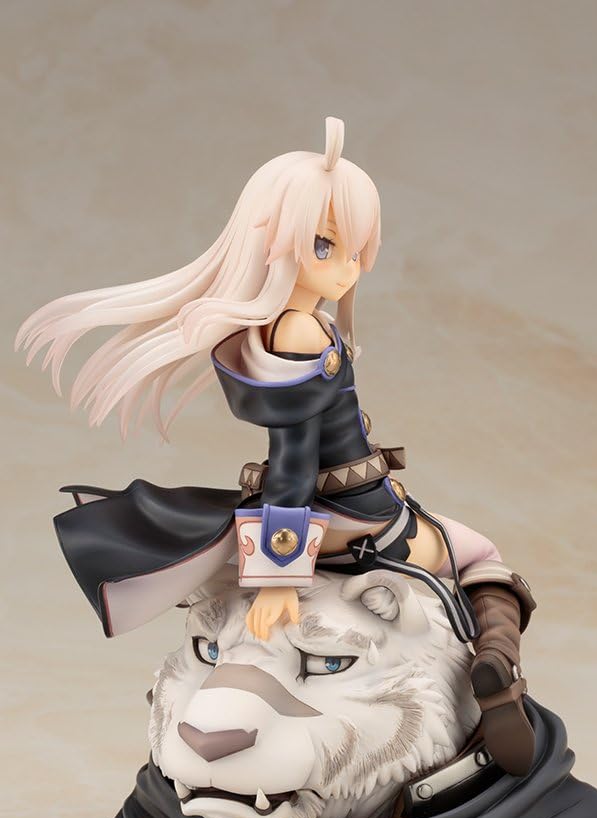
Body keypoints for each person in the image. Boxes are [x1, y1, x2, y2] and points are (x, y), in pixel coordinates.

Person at [15, 117, 536, 774]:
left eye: (356, 251)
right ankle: (498, 676)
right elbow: (294, 457)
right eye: (325, 245)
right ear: (271, 243)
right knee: (479, 554)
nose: (346, 268)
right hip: (353, 508)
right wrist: (278, 580)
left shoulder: (262, 331)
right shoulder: (303, 334)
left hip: (317, 501)